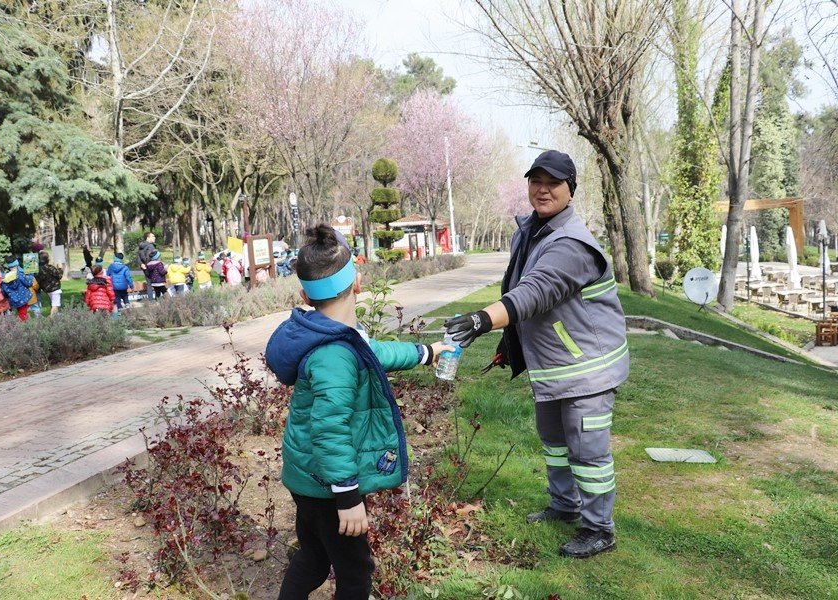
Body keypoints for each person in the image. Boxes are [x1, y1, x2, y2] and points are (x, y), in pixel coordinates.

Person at [443, 150, 629, 559]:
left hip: (588, 368)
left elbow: (534, 292)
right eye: (536, 181)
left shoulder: (572, 244)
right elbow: (515, 287)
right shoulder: (529, 230)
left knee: (588, 453)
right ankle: (565, 506)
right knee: (555, 443)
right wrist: (506, 342)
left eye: (553, 183)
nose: (543, 189)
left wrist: (481, 320)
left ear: (570, 190)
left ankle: (600, 529)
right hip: (556, 364)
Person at [264, 224, 450, 599]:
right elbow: (330, 429)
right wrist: (347, 498)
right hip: (330, 485)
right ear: (358, 283)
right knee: (355, 572)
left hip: (310, 479)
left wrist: (424, 353)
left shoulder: (336, 335)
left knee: (315, 558)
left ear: (305, 295)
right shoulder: (334, 354)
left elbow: (374, 352)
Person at [0, 256, 35, 321]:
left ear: (8, 266)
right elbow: (29, 283)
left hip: (13, 300)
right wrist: (31, 275)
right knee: (23, 314)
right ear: (17, 264)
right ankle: (22, 327)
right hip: (23, 298)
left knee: (22, 312)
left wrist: (7, 296)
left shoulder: (5, 277)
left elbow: (3, 291)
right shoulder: (20, 275)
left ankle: (24, 322)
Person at [36, 251, 63, 316]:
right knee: (55, 305)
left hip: (47, 289)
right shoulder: (49, 267)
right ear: (47, 259)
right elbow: (59, 275)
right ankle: (51, 317)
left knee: (53, 303)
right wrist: (60, 268)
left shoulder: (38, 269)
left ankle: (56, 316)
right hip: (54, 288)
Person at [137, 232, 157, 300]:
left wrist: (141, 264)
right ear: (148, 237)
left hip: (144, 267)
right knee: (157, 283)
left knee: (149, 284)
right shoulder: (151, 246)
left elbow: (138, 257)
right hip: (152, 267)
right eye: (153, 236)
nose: (155, 238)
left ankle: (151, 301)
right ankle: (159, 299)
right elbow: (149, 257)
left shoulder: (141, 246)